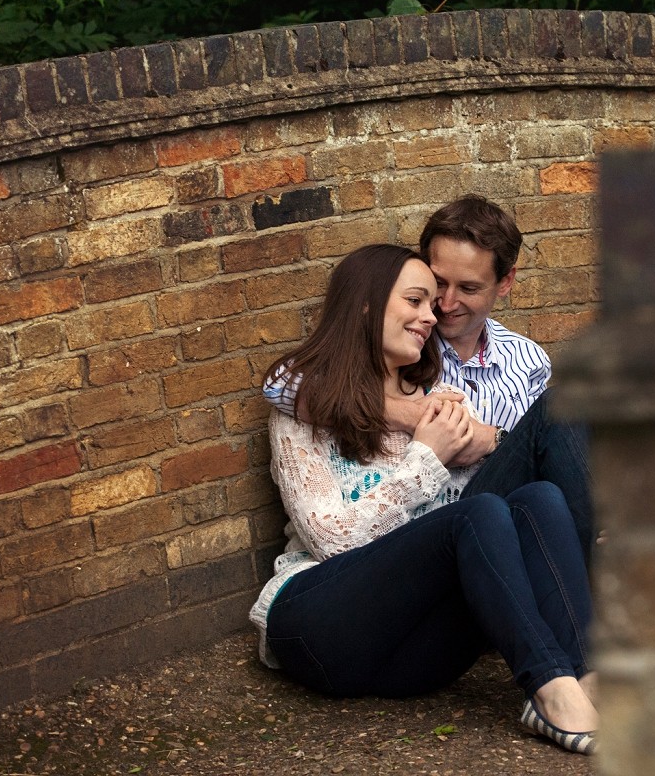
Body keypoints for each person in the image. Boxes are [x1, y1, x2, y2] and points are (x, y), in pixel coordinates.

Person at [249, 244, 598, 755]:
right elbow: (331, 540)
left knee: (538, 498)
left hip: (412, 654)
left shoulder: (436, 397)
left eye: (431, 305)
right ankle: (551, 690)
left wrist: (477, 441)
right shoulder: (306, 402)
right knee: (476, 514)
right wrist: (426, 458)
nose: (430, 316)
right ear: (367, 306)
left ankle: (588, 678)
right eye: (416, 300)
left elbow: (488, 514)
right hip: (322, 626)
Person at [266, 195, 596, 560]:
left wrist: (492, 439)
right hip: (443, 526)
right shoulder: (407, 343)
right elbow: (280, 385)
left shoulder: (528, 359)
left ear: (505, 283)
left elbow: (543, 458)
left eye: (468, 289)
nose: (445, 304)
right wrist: (406, 413)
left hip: (505, 513)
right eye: (439, 284)